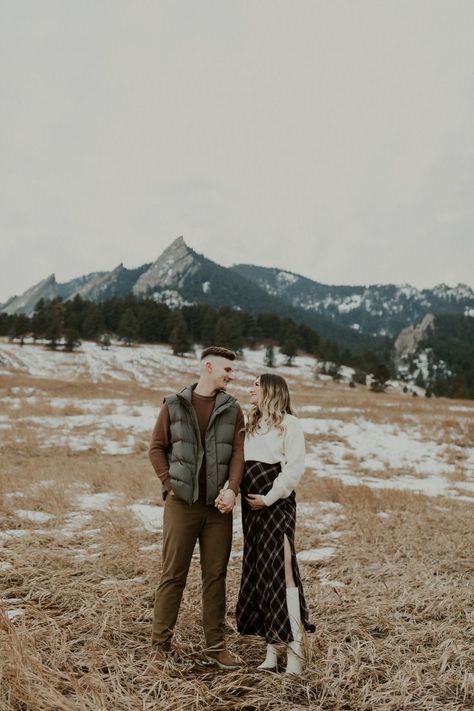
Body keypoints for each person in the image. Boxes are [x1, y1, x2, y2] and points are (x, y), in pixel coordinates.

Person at [148, 346, 245, 669]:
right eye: (228, 371)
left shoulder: (233, 409)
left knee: (215, 576)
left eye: (233, 371)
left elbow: (237, 455)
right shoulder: (174, 405)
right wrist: (170, 483)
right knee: (173, 574)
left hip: (218, 509)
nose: (233, 376)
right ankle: (160, 646)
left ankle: (216, 647)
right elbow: (156, 448)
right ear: (209, 367)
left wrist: (232, 490)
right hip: (181, 506)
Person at [228, 373, 315, 674]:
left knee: (283, 572)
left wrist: (269, 497)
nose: (250, 389)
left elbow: (293, 471)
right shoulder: (251, 423)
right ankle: (270, 649)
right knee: (260, 573)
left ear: (271, 390)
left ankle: (295, 652)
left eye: (256, 384)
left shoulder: (290, 424)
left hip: (276, 505)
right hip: (250, 508)